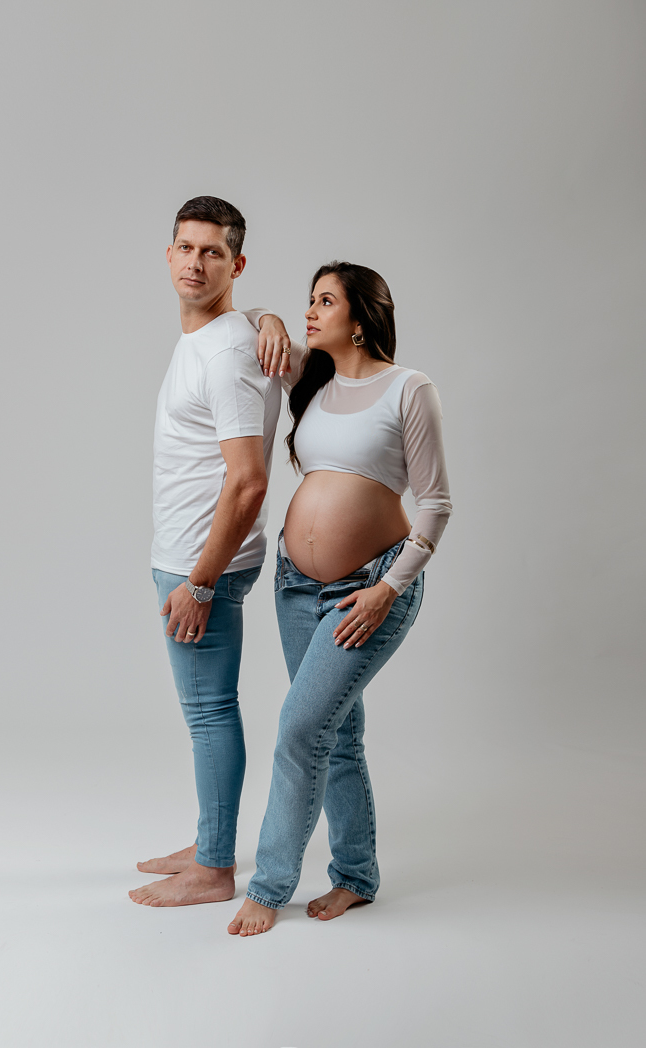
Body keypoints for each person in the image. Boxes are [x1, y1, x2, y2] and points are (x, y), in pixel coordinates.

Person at [228, 261, 452, 935]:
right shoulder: (312, 380)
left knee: (301, 730)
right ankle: (356, 875)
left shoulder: (409, 388)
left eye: (325, 301)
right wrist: (269, 316)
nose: (310, 311)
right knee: (337, 734)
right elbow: (245, 321)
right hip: (295, 585)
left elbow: (436, 504)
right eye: (309, 300)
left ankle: (269, 885)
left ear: (360, 318)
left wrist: (388, 589)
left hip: (368, 588)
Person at [129, 196, 290, 908]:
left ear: (236, 264)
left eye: (212, 252)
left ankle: (214, 868)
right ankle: (209, 841)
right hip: (194, 555)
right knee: (208, 710)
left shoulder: (226, 355)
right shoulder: (223, 333)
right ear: (169, 254)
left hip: (203, 565)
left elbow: (248, 480)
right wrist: (266, 315)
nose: (195, 263)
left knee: (210, 712)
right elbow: (247, 323)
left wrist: (198, 583)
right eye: (186, 248)